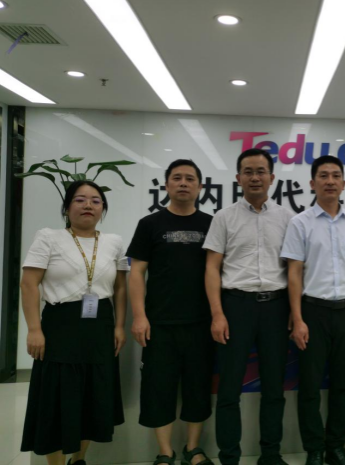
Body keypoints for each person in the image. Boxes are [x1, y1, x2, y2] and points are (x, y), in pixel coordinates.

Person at [20, 180, 128, 465]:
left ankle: (78, 459)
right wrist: (34, 329)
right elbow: (29, 284)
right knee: (57, 397)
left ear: (103, 208)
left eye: (95, 200)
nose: (88, 205)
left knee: (93, 395)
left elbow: (120, 288)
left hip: (100, 325)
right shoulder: (48, 237)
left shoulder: (114, 242)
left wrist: (119, 326)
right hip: (60, 325)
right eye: (80, 199)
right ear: (67, 207)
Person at [281, 155, 345, 465]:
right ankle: (314, 449)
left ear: (344, 183)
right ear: (313, 183)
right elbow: (294, 272)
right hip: (313, 313)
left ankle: (336, 446)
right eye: (323, 176)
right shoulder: (300, 223)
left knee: (342, 384)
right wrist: (297, 319)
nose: (330, 181)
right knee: (309, 386)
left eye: (336, 176)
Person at [203, 149, 295, 465]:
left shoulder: (287, 218)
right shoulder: (223, 217)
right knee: (229, 388)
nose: (255, 177)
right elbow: (212, 267)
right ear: (238, 177)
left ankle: (270, 454)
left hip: (276, 308)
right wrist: (217, 313)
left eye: (260, 171)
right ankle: (229, 456)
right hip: (235, 307)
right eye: (248, 171)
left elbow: (295, 269)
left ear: (272, 177)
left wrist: (294, 313)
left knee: (274, 388)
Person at [127, 159, 214, 465]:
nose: (183, 183)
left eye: (190, 178)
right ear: (166, 185)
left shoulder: (211, 224)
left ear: (200, 187)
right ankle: (165, 452)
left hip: (201, 323)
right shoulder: (150, 224)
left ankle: (193, 448)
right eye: (177, 178)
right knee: (158, 388)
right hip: (159, 324)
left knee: (198, 388)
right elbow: (136, 273)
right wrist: (139, 316)